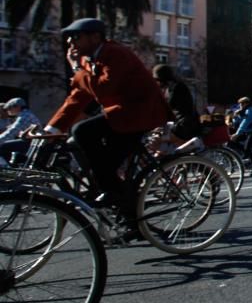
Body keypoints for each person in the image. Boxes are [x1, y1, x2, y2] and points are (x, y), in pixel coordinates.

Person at [43, 18, 170, 215]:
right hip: (120, 114)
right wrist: (51, 130)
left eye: (76, 37)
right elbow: (78, 98)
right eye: (69, 38)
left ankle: (123, 202)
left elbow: (103, 88)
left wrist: (77, 69)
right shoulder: (89, 60)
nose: (70, 42)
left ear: (95, 37)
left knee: (85, 135)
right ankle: (120, 202)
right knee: (94, 157)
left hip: (140, 114)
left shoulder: (115, 53)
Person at [153, 64, 200, 142]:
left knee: (157, 141)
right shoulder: (172, 86)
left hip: (184, 124)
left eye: (156, 80)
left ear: (161, 78)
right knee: (157, 140)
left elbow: (168, 107)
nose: (156, 83)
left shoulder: (176, 87)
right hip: (181, 122)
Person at [0, 97, 42, 166]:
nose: (7, 111)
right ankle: (16, 165)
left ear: (17, 107)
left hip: (31, 143)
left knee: (3, 146)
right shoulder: (26, 114)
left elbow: (12, 132)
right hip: (32, 142)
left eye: (9, 108)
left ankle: (10, 167)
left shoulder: (24, 116)